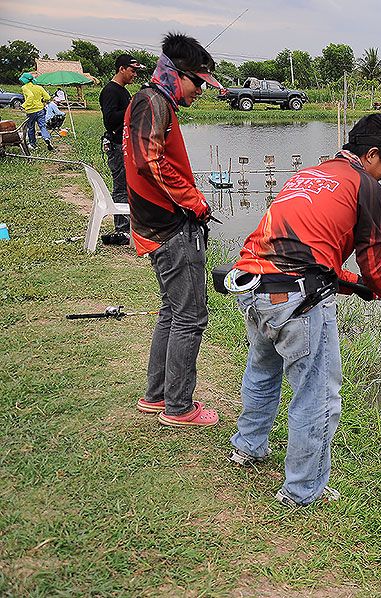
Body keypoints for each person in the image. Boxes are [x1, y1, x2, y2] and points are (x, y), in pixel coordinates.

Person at [228, 113, 381, 507]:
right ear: (372, 155)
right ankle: (302, 490)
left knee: (262, 371)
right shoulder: (367, 188)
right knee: (318, 398)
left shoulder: (309, 174)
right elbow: (375, 267)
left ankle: (247, 447)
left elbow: (312, 256)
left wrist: (357, 289)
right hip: (296, 300)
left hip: (252, 283)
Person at [123, 32, 223, 427]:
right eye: (198, 82)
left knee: (172, 311)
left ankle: (156, 395)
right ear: (176, 73)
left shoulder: (152, 102)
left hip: (157, 224)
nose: (200, 90)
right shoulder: (152, 101)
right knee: (191, 317)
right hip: (170, 228)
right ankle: (179, 407)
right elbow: (151, 161)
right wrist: (193, 201)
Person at [100, 54, 146, 244]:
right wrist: (132, 107)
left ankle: (129, 227)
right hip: (117, 146)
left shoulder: (123, 90)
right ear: (121, 69)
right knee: (120, 187)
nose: (135, 74)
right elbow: (110, 120)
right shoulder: (111, 91)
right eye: (133, 70)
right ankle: (121, 230)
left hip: (126, 145)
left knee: (128, 186)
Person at [19, 72, 52, 151]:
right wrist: (42, 100)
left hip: (30, 111)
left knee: (31, 128)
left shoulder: (24, 87)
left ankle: (33, 144)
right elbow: (48, 97)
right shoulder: (39, 87)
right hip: (40, 110)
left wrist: (23, 105)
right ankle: (47, 138)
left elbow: (30, 96)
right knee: (42, 126)